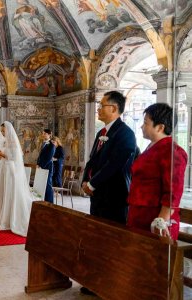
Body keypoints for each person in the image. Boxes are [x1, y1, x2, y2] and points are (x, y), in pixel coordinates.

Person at [80, 91, 136, 296]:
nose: (98, 108)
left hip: (115, 196)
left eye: (102, 105)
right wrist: (85, 179)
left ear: (113, 108)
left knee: (112, 241)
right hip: (98, 197)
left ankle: (112, 281)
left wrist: (93, 184)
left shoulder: (125, 133)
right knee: (97, 238)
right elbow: (92, 159)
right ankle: (96, 279)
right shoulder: (101, 132)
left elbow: (116, 164)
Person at [127, 103, 187, 241]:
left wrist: (161, 220)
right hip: (139, 214)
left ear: (160, 127)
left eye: (146, 123)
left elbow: (173, 192)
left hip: (154, 218)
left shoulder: (172, 152)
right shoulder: (152, 148)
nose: (142, 126)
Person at [0, 122, 34, 237]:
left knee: (10, 192)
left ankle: (10, 219)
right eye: (2, 131)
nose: (2, 133)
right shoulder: (5, 142)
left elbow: (14, 158)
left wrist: (0, 153)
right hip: (4, 168)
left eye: (4, 131)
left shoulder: (13, 143)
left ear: (9, 131)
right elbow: (3, 157)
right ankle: (2, 217)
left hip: (10, 170)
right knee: (3, 192)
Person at [36, 129, 55, 203]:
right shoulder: (43, 144)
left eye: (45, 134)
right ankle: (44, 201)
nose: (43, 135)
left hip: (47, 167)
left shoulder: (52, 145)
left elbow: (49, 157)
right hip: (41, 167)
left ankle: (50, 203)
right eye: (43, 133)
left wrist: (41, 166)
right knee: (42, 185)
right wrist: (38, 163)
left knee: (48, 186)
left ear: (49, 134)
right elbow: (40, 156)